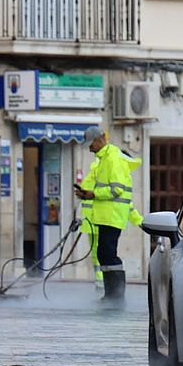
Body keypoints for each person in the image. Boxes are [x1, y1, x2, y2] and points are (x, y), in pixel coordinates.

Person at [74, 127, 138, 301]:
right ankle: (111, 294)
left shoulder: (113, 158)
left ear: (100, 139)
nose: (90, 148)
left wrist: (93, 194)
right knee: (104, 253)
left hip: (113, 216)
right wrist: (87, 193)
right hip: (105, 216)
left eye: (91, 144)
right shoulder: (103, 159)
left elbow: (117, 189)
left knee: (108, 253)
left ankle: (115, 294)